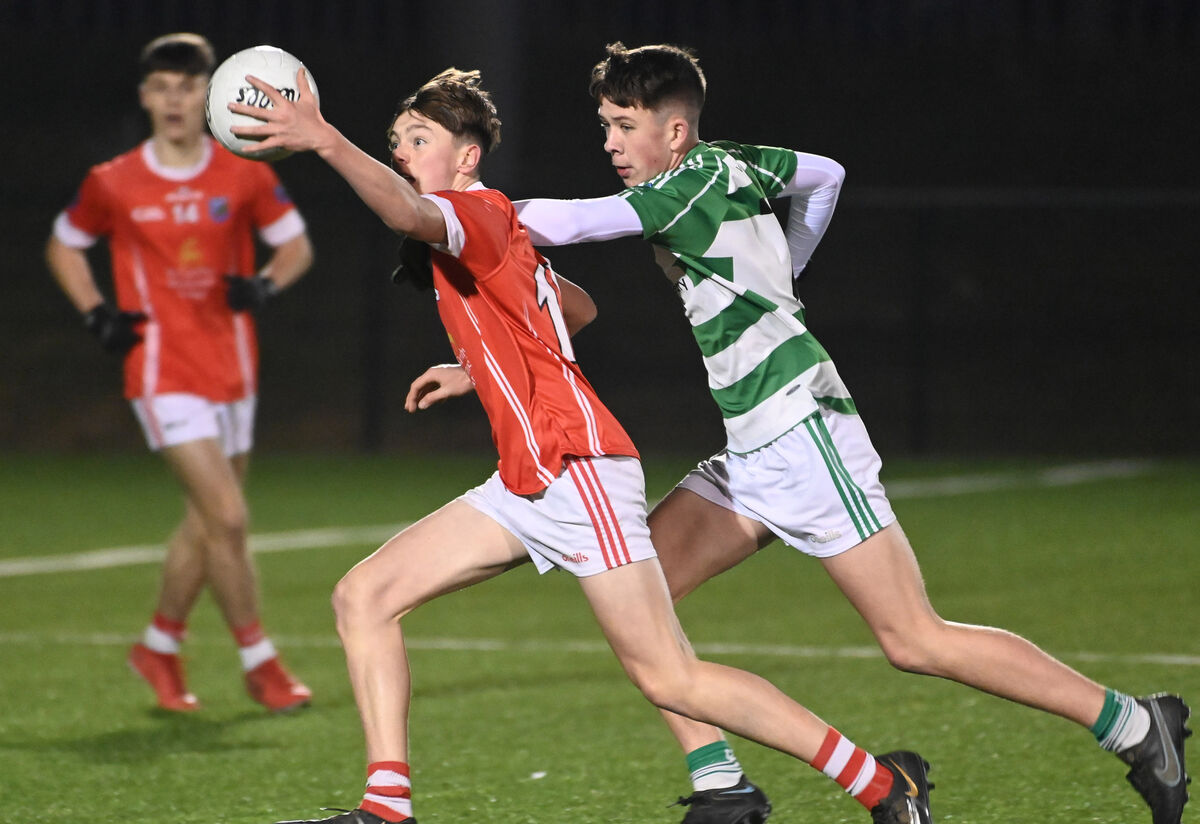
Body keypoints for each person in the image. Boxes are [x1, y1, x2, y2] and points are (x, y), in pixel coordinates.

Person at [493, 42, 1193, 824]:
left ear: (677, 130)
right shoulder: (733, 165)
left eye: (625, 125)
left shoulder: (682, 187)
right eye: (605, 126)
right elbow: (826, 173)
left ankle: (1137, 724)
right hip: (756, 442)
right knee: (643, 605)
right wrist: (788, 267)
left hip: (801, 429)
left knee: (914, 638)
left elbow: (565, 224)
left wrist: (454, 207)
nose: (611, 143)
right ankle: (723, 784)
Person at [231, 65, 933, 824]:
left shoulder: (476, 211)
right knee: (363, 596)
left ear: (467, 155)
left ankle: (879, 785)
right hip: (527, 478)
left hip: (578, 468)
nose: (403, 153)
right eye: (396, 142)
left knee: (673, 678)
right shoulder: (482, 227)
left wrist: (322, 137)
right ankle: (385, 809)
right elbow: (577, 305)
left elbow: (405, 211)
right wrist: (479, 363)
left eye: (419, 139)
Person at [45, 32, 314, 714]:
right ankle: (261, 662)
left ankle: (158, 647)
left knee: (206, 524)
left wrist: (264, 287)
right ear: (145, 97)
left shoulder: (244, 172)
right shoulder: (114, 181)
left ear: (209, 94)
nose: (174, 100)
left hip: (233, 366)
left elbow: (295, 246)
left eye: (187, 87)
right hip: (161, 369)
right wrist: (96, 313)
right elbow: (64, 244)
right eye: (161, 87)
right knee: (228, 515)